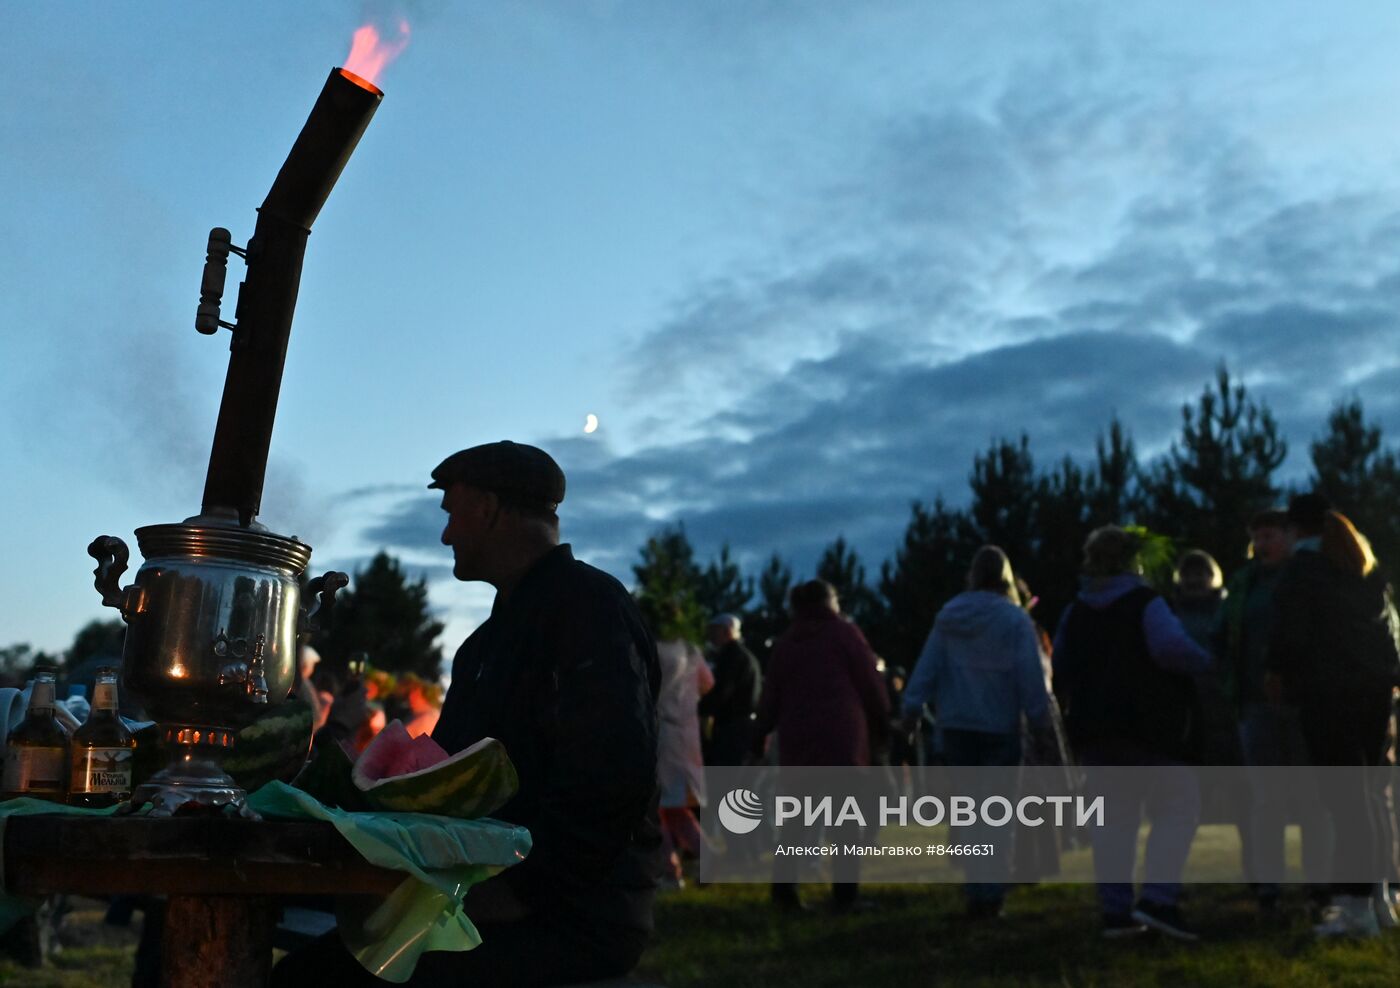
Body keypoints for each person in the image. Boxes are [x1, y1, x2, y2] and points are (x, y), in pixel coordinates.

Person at [273, 441, 661, 987]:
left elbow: (613, 776)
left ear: (488, 508)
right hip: (483, 898)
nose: (446, 534)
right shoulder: (483, 646)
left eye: (452, 514)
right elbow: (444, 782)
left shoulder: (589, 608)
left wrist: (520, 891)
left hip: (572, 916)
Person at [1052, 525, 1211, 941]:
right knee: (1179, 805)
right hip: (1148, 727)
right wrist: (1209, 663)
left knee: (1112, 822)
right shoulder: (1146, 602)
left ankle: (1116, 912)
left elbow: (1062, 669)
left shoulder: (1076, 610)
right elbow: (1168, 649)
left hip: (1095, 731)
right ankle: (1159, 898)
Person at [1267, 493, 1400, 938]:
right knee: (1368, 795)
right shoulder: (1360, 565)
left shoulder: (1302, 572)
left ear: (1294, 530)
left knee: (1344, 800)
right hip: (1375, 692)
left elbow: (1289, 637)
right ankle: (1380, 899)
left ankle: (1353, 904)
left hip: (1328, 695)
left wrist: (1279, 673)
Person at [901, 546, 1052, 919]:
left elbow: (927, 668)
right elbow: (1031, 677)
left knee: (968, 814)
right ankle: (992, 894)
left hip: (956, 726)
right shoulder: (1014, 621)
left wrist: (910, 711)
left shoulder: (950, 617)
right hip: (999, 726)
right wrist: (1040, 721)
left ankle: (975, 889)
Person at [1213, 509, 1332, 913]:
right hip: (1255, 703)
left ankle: (1320, 882)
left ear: (1289, 536)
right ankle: (1269, 885)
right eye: (1257, 536)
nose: (1263, 544)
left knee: (1312, 796)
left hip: (1302, 703)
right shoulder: (1244, 584)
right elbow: (1221, 636)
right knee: (1266, 799)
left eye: (1270, 535)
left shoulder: (1307, 577)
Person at [752, 579, 889, 912]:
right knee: (845, 823)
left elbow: (770, 697)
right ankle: (845, 895)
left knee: (797, 821)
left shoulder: (787, 643)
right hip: (842, 741)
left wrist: (759, 735)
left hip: (799, 743)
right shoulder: (845, 634)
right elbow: (871, 683)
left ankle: (784, 891)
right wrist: (883, 722)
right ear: (830, 601)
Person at [652, 607, 714, 888]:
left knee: (659, 807)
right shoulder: (691, 649)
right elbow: (708, 684)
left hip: (663, 734)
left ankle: (669, 871)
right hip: (688, 734)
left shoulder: (654, 649)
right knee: (677, 808)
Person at [699, 613, 762, 768]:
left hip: (732, 728)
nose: (710, 635)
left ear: (727, 631)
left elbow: (722, 692)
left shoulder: (731, 656)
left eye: (714, 630)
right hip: (745, 727)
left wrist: (697, 709)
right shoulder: (747, 656)